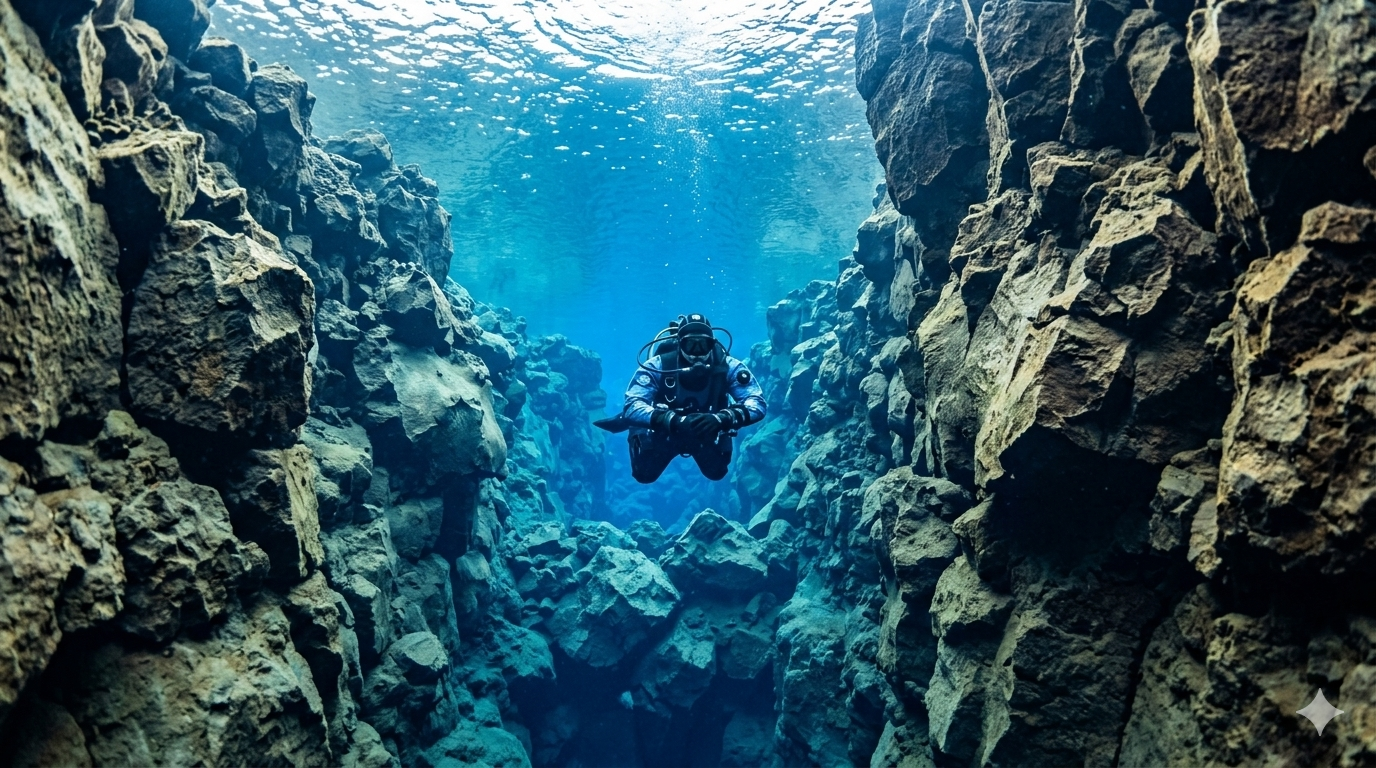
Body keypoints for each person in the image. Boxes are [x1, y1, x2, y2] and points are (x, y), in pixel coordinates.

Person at [594, 314, 767, 483]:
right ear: (679, 344)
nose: (697, 353)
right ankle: (636, 428)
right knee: (644, 474)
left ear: (712, 344)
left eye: (704, 345)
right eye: (690, 345)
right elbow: (632, 405)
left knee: (716, 472)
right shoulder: (658, 365)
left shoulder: (728, 367)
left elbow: (757, 402)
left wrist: (723, 418)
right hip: (666, 430)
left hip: (706, 430)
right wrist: (669, 419)